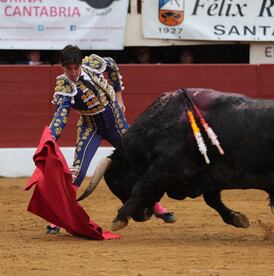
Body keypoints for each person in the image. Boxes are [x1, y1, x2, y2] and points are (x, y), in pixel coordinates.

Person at [46, 45, 176, 234]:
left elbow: (113, 65)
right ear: (62, 67)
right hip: (90, 127)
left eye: (76, 68)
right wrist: (50, 137)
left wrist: (118, 96)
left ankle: (157, 206)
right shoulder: (64, 86)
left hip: (116, 121)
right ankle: (57, 218)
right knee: (77, 172)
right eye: (69, 69)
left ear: (81, 63)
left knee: (139, 163)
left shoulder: (93, 64)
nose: (73, 73)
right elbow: (61, 115)